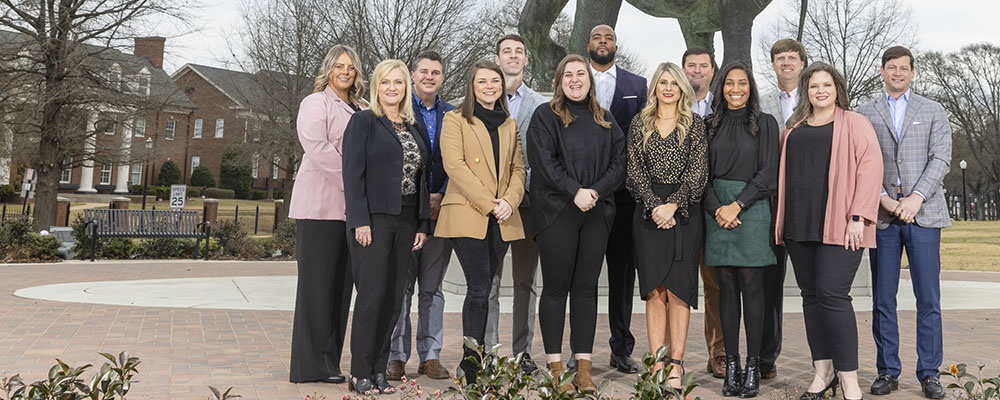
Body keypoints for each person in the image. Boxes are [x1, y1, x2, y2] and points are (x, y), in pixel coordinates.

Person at [775, 62, 883, 400]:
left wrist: (858, 217)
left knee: (834, 296)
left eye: (826, 85)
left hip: (841, 225)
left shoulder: (855, 123)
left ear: (837, 88)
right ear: (805, 91)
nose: (820, 91)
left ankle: (849, 378)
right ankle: (823, 373)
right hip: (798, 225)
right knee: (811, 298)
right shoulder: (793, 127)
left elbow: (870, 168)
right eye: (813, 86)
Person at [857, 46, 952, 399]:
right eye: (891, 67)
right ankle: (888, 370)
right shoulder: (865, 113)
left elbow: (941, 157)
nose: (898, 73)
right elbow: (862, 160)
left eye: (904, 68)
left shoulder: (934, 110)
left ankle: (929, 372)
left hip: (924, 214)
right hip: (883, 217)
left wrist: (916, 198)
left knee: (928, 298)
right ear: (882, 70)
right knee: (884, 298)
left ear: (912, 72)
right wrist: (883, 198)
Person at [528, 54, 626, 392]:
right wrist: (575, 192)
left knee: (586, 291)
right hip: (557, 213)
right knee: (556, 290)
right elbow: (543, 162)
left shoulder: (606, 119)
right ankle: (556, 368)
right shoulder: (546, 117)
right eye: (567, 74)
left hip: (596, 213)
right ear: (559, 81)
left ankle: (583, 369)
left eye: (580, 74)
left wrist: (594, 192)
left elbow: (619, 164)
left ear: (590, 79)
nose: (574, 79)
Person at [435, 60, 527, 383]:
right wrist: (491, 204)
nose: (490, 86)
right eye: (482, 81)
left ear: (502, 86)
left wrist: (509, 202)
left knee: (487, 287)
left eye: (495, 81)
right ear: (472, 86)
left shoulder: (509, 124)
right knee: (478, 287)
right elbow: (455, 166)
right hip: (469, 213)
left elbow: (519, 170)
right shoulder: (455, 120)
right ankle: (471, 362)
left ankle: (482, 355)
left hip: (501, 216)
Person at [343, 59, 431, 395]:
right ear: (377, 87)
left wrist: (423, 223)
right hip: (374, 222)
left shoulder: (413, 127)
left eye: (398, 82)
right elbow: (352, 176)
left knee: (395, 299)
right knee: (372, 296)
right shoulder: (364, 122)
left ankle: (379, 371)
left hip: (407, 221)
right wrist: (359, 220)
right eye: (385, 82)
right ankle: (360, 371)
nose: (392, 88)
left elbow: (424, 178)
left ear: (406, 88)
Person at [626, 61, 708, 390]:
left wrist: (673, 204)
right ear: (655, 89)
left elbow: (697, 172)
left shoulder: (694, 124)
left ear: (682, 89)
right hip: (648, 213)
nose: (669, 88)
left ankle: (676, 362)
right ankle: (657, 362)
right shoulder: (639, 123)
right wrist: (655, 205)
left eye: (674, 83)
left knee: (679, 291)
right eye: (662, 83)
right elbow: (633, 171)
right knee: (654, 291)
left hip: (685, 213)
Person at [288, 44, 368, 385]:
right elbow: (318, 148)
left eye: (350, 66)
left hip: (351, 212)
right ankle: (310, 365)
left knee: (340, 290)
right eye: (339, 66)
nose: (345, 72)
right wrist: (355, 181)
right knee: (317, 288)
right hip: (319, 208)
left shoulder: (364, 107)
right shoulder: (315, 103)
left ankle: (331, 362)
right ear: (329, 70)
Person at [702, 61, 780, 398]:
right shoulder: (707, 126)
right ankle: (730, 366)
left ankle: (753, 365)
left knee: (752, 286)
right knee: (726, 289)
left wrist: (738, 205)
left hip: (751, 208)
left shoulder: (765, 124)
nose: (736, 89)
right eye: (730, 83)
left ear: (751, 88)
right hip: (716, 210)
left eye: (743, 83)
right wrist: (719, 208)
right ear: (720, 87)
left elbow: (768, 173)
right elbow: (698, 175)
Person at [386, 51, 456, 382]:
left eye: (436, 72)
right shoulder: (398, 111)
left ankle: (430, 355)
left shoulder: (453, 115)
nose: (429, 77)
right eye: (424, 71)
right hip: (404, 212)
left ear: (443, 78)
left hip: (441, 211)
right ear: (413, 75)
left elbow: (459, 161)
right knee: (401, 286)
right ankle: (397, 355)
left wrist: (441, 194)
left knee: (432, 288)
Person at [582, 24, 646, 374]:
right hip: (586, 198)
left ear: (616, 46)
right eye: (597, 38)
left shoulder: (637, 85)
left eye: (608, 38)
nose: (602, 42)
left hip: (624, 199)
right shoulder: (575, 80)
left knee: (622, 278)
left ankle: (621, 348)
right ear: (587, 44)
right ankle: (582, 352)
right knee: (585, 278)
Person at [482, 34, 548, 374]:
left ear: (526, 60)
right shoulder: (484, 101)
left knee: (525, 282)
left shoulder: (540, 104)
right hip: (490, 208)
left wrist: (516, 194)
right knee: (490, 282)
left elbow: (543, 156)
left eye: (518, 51)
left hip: (526, 207)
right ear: (497, 58)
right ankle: (489, 354)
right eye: (506, 50)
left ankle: (523, 353)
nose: (512, 56)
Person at [757, 38, 807, 380]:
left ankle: (827, 363)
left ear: (802, 63)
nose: (786, 63)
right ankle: (765, 357)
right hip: (771, 205)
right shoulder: (761, 104)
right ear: (773, 64)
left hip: (808, 207)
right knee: (768, 286)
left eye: (792, 58)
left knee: (815, 289)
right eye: (780, 58)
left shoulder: (818, 97)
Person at [681, 45, 725, 379]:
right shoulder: (669, 105)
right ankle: (669, 358)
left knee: (715, 284)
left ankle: (719, 353)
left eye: (704, 66)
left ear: (713, 70)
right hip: (678, 209)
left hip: (713, 210)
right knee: (673, 286)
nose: (697, 71)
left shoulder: (724, 108)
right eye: (691, 65)